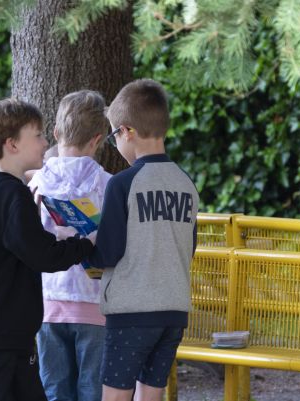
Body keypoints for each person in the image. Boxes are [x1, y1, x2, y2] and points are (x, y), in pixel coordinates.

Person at [0, 98, 97, 401]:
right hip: (1, 333)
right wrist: (86, 243)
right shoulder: (14, 195)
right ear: (12, 144)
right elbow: (43, 255)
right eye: (37, 135)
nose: (45, 143)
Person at [88, 79, 199, 401]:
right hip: (173, 310)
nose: (115, 143)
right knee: (151, 394)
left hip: (131, 310)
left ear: (126, 131)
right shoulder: (186, 183)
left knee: (116, 395)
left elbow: (108, 252)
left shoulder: (123, 183)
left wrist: (83, 249)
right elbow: (188, 247)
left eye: (113, 136)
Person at [28, 90, 111, 401]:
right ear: (98, 139)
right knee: (93, 391)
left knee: (54, 391)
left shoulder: (36, 183)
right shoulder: (108, 184)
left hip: (48, 303)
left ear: (55, 132)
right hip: (94, 304)